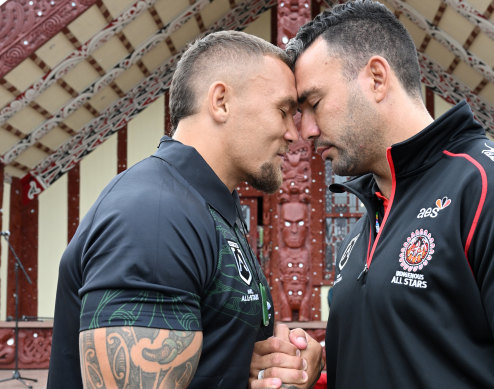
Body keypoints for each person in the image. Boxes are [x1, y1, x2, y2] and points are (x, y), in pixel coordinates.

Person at [255, 0, 494, 387]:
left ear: (377, 78)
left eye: (314, 104)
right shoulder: (365, 227)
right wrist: (315, 370)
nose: (306, 131)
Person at [47, 30, 321, 389]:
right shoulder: (154, 215)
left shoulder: (210, 207)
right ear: (221, 101)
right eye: (284, 111)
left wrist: (275, 366)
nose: (294, 134)